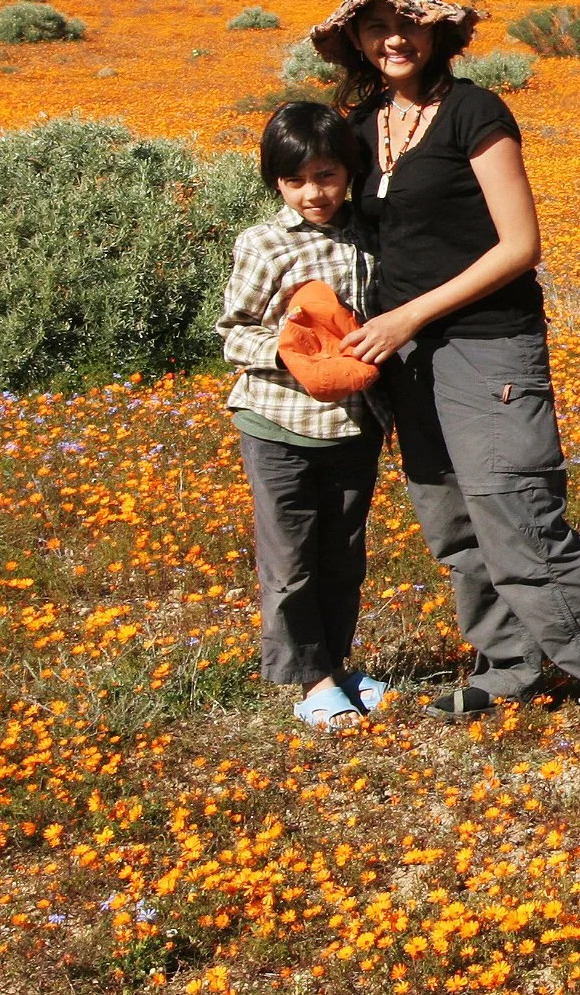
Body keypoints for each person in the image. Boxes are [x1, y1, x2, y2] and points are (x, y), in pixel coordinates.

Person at [309, 0, 580, 755]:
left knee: (520, 519)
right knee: (455, 525)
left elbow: (519, 246)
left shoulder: (475, 112)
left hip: (488, 347)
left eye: (407, 23)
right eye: (376, 25)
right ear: (357, 38)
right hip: (402, 362)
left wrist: (408, 318)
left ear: (436, 31)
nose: (394, 39)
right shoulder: (362, 130)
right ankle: (508, 667)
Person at [216, 103, 388, 730]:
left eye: (327, 176)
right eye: (296, 181)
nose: (313, 193)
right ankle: (311, 682)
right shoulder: (262, 245)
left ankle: (339, 665)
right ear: (276, 182)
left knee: (343, 554)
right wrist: (296, 354)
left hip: (354, 424)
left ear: (349, 173)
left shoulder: (368, 234)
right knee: (291, 559)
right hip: (278, 424)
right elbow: (233, 334)